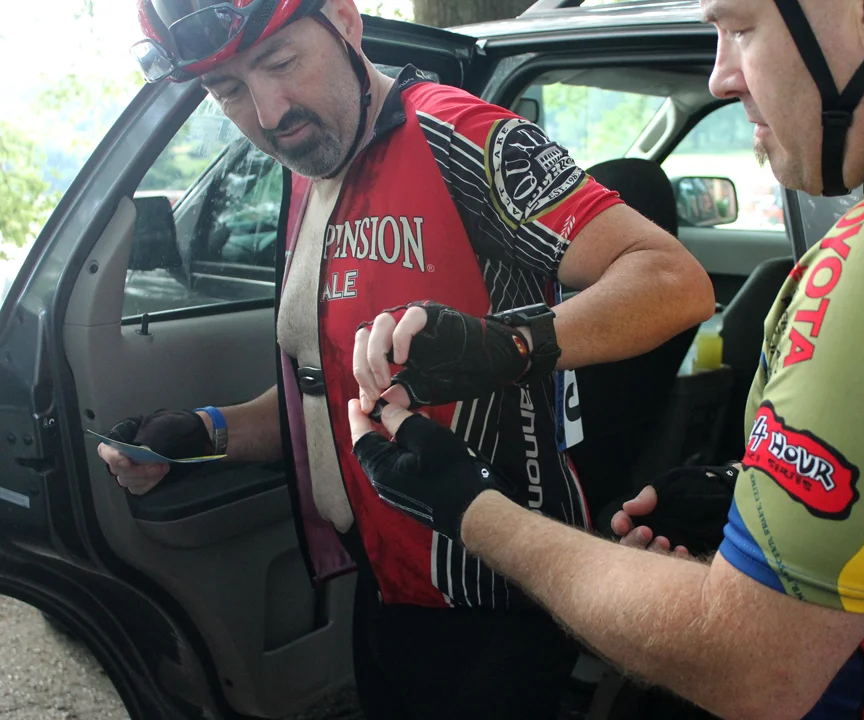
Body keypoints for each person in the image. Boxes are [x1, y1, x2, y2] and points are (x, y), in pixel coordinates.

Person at [350, 0, 864, 717]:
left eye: (739, 28)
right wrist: (747, 491)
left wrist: (468, 504)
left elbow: (751, 668)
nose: (723, 77)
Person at [103, 0, 715, 717]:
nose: (268, 113)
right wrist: (207, 431)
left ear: (345, 20)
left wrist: (507, 344)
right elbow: (332, 393)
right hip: (387, 580)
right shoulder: (310, 165)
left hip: (495, 590)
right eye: (229, 92)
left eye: (280, 64)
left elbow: (674, 282)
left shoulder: (458, 133)